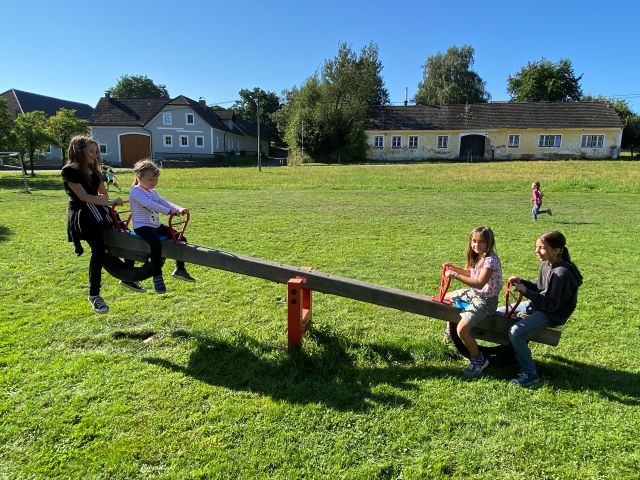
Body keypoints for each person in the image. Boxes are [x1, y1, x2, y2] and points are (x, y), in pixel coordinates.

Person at [507, 231, 582, 387]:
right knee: (502, 312)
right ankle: (509, 355)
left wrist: (526, 292)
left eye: (542, 248)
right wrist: (522, 282)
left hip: (551, 314)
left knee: (516, 331)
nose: (537, 251)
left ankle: (530, 375)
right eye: (536, 247)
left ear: (557, 250)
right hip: (541, 306)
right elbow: (540, 287)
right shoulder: (546, 264)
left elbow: (551, 305)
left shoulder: (562, 273)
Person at [61, 136, 124, 313]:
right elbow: (83, 197)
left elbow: (103, 194)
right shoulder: (70, 171)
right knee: (98, 249)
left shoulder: (95, 171)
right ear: (78, 151)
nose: (94, 155)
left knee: (121, 236)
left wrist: (104, 200)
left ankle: (127, 275)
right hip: (83, 216)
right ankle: (94, 295)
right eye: (90, 151)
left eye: (96, 151)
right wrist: (106, 201)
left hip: (99, 211)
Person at [129, 159, 196, 293]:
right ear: (139, 177)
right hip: (142, 227)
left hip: (155, 225)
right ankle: (157, 277)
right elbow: (149, 204)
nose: (154, 182)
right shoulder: (136, 192)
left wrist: (179, 208)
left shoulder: (152, 192)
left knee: (180, 238)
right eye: (151, 179)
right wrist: (169, 212)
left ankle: (180, 269)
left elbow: (164, 202)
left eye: (156, 179)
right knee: (155, 244)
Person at [443, 226, 503, 375]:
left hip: (486, 301)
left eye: (481, 241)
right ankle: (449, 331)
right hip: (474, 294)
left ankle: (478, 359)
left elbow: (479, 283)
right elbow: (470, 273)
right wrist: (454, 268)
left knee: (462, 330)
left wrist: (455, 276)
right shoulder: (480, 256)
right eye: (474, 241)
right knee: (446, 297)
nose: (476, 245)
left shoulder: (490, 260)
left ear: (489, 243)